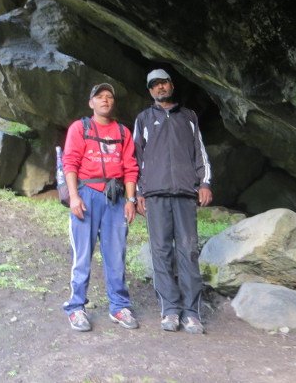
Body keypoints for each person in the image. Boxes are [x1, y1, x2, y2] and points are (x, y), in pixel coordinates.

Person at [133, 69, 212, 334]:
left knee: (188, 251)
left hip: (184, 194)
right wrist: (137, 194)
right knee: (161, 251)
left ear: (171, 85)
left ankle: (191, 312)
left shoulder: (189, 117)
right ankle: (170, 310)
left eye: (163, 82)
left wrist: (204, 183)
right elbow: (135, 159)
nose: (160, 88)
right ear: (150, 91)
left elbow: (200, 152)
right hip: (155, 195)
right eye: (154, 85)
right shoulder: (143, 119)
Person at [62, 83, 140, 332]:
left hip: (115, 198)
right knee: (82, 255)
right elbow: (70, 162)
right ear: (91, 103)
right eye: (100, 97)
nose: (105, 100)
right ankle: (76, 308)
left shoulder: (123, 132)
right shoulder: (80, 128)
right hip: (87, 194)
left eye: (109, 97)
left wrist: (130, 200)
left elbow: (130, 168)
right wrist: (74, 197)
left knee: (116, 255)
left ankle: (119, 306)